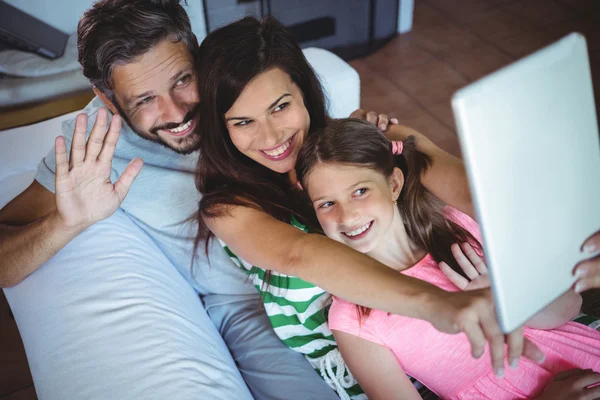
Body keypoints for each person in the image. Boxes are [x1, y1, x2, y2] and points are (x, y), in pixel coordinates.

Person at [0, 1, 386, 398]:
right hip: (248, 305)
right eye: (144, 100)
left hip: (336, 252)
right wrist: (67, 223)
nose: (177, 112)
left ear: (196, 51)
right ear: (109, 99)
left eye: (182, 79)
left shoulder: (235, 86)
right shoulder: (96, 147)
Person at [193, 15, 550, 398]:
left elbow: (459, 184)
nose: (271, 136)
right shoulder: (228, 208)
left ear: (303, 90)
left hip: (475, 340)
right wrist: (438, 306)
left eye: (280, 107)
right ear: (222, 128)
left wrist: (559, 237)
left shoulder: (366, 138)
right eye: (243, 122)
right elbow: (303, 254)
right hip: (389, 373)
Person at [294, 118, 600, 400]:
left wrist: (506, 299)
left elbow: (570, 307)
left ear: (393, 185)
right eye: (327, 204)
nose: (347, 215)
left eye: (360, 191)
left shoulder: (458, 223)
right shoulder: (353, 318)